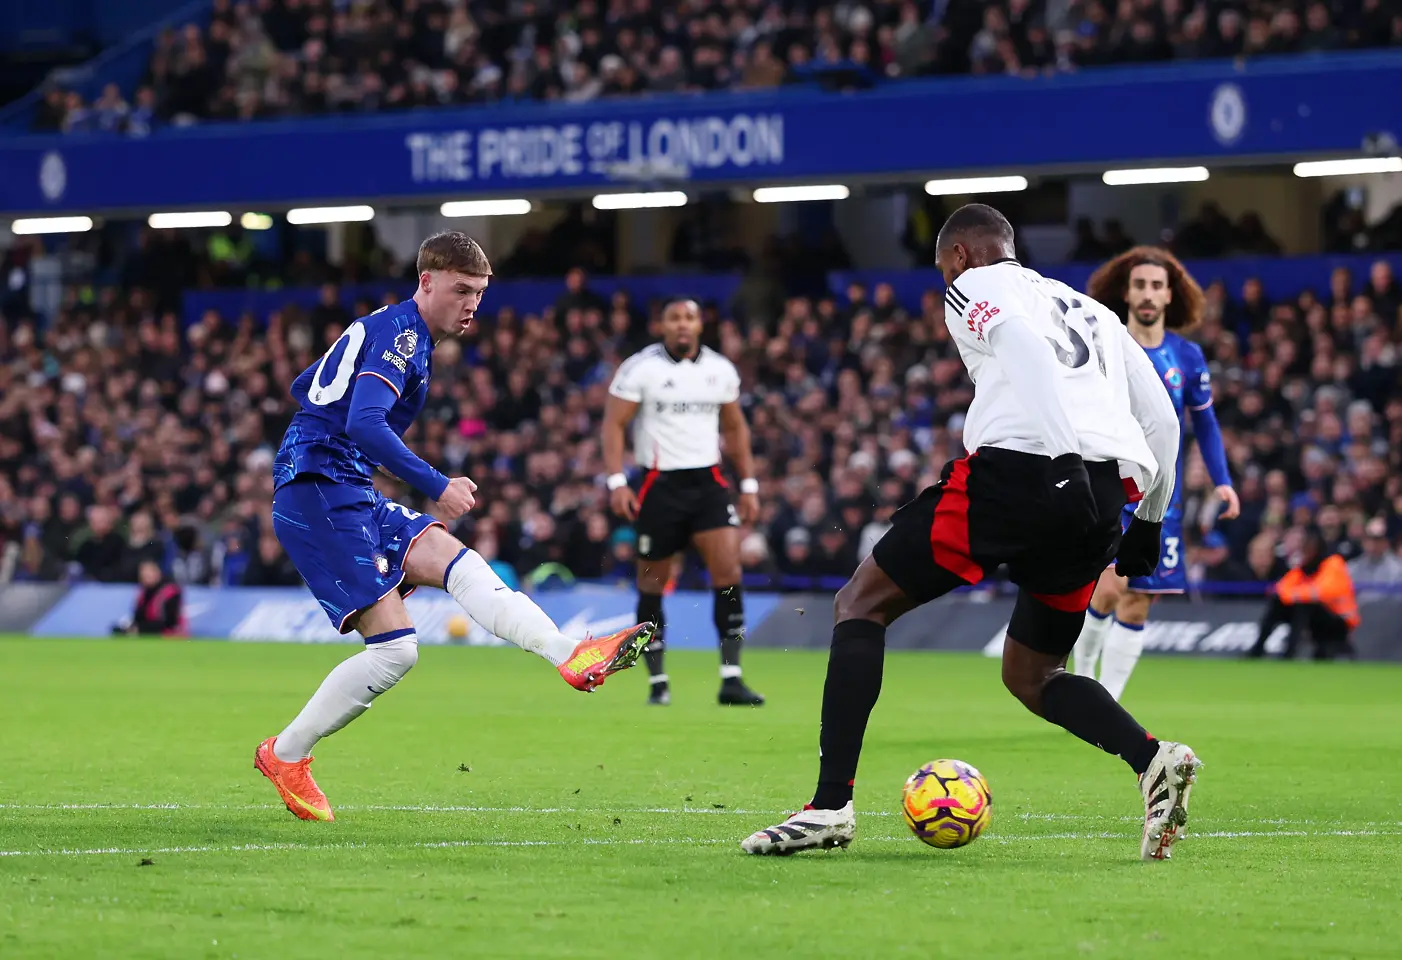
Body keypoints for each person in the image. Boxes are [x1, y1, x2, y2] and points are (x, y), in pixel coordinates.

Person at [742, 205, 1198, 862]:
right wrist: (1149, 521)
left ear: (958, 256)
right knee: (1034, 674)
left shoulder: (976, 285)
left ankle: (829, 806)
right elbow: (1161, 418)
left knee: (860, 604)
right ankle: (1153, 759)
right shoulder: (1088, 309)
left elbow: (1021, 354)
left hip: (1022, 473)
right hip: (1104, 498)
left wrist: (1062, 459)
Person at [255, 232, 655, 822]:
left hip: (347, 486)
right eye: (461, 290)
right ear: (426, 282)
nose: (472, 305)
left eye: (480, 293)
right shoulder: (401, 333)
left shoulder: (403, 334)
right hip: (317, 489)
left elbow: (314, 393)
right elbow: (364, 423)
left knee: (459, 561)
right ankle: (285, 754)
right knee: (396, 651)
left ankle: (570, 654)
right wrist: (436, 482)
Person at [1071, 248, 1239, 701]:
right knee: (1107, 588)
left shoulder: (1187, 356)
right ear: (1125, 292)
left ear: (1170, 295)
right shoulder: (1102, 346)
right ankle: (1084, 678)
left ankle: (1106, 700)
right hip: (1108, 487)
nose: (1148, 294)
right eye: (1140, 284)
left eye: (1156, 286)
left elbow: (1204, 422)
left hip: (1162, 496)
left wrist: (1222, 479)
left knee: (1139, 599)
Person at [602, 297, 765, 706]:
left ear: (699, 325)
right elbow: (613, 424)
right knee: (652, 583)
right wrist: (617, 481)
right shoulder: (641, 368)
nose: (682, 325)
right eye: (674, 318)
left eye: (689, 318)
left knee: (728, 571)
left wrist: (748, 484)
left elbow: (735, 428)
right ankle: (658, 682)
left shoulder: (719, 370)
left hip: (708, 483)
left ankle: (732, 676)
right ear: (662, 325)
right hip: (659, 485)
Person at [1248, 529, 1359, 659]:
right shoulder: (1304, 568)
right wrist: (1292, 595)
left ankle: (1289, 654)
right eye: (1304, 548)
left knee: (1303, 605)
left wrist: (1294, 595)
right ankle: (1257, 650)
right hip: (1315, 619)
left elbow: (1323, 592)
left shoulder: (1333, 563)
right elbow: (1281, 589)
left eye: (1309, 548)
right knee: (1278, 604)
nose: (1305, 552)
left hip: (1339, 623)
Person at [112, 560, 186, 636]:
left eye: (149, 574)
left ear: (157, 573)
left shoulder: (170, 592)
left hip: (168, 636)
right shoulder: (143, 593)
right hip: (148, 634)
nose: (145, 578)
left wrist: (140, 629)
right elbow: (138, 617)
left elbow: (170, 623)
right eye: (143, 575)